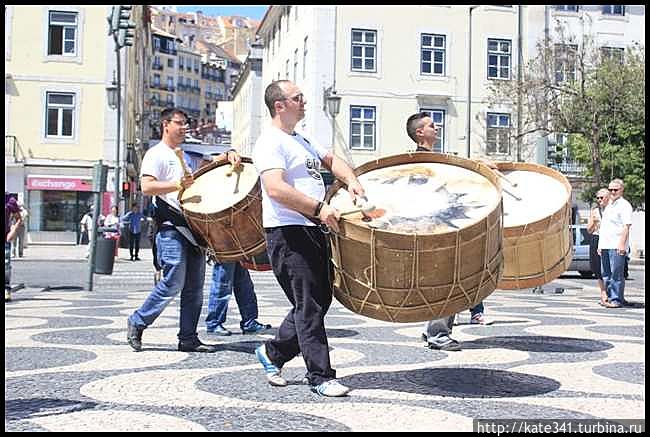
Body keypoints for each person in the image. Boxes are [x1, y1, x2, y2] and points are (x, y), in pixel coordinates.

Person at [252, 80, 365, 397]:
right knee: (309, 305)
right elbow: (275, 189)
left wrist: (351, 180)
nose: (304, 102)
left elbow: (331, 160)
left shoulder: (302, 138)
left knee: (320, 298)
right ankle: (321, 376)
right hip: (287, 231)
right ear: (280, 105)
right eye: (297, 98)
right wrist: (319, 208)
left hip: (312, 228)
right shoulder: (269, 142)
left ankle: (273, 353)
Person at [126, 107, 241, 353]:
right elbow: (146, 187)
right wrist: (176, 184)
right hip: (170, 227)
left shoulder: (187, 155)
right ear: (165, 125)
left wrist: (228, 154)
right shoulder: (155, 154)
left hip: (193, 228)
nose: (185, 127)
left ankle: (188, 338)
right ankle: (138, 320)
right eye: (180, 123)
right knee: (174, 278)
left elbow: (207, 167)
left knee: (194, 288)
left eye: (186, 123)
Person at [405, 112, 492, 352]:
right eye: (431, 125)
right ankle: (438, 334)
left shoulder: (436, 159)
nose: (437, 127)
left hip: (445, 228)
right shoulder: (417, 162)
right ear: (419, 133)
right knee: (447, 281)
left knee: (449, 280)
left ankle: (432, 330)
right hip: (435, 230)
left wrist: (479, 166)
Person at [205, 261, 272, 336]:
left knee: (244, 285)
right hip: (225, 252)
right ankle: (213, 323)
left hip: (236, 252)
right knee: (223, 284)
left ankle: (249, 322)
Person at [597, 178, 633, 308]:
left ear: (621, 190)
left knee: (616, 274)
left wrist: (622, 244)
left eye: (615, 189)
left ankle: (616, 299)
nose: (612, 192)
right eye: (610, 189)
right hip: (605, 245)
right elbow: (604, 228)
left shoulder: (625, 205)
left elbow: (626, 226)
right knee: (605, 273)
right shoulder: (609, 206)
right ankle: (610, 297)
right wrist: (600, 245)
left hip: (616, 245)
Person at [587, 188, 610, 306]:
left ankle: (611, 292)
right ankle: (603, 292)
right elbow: (589, 230)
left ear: (608, 197)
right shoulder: (595, 211)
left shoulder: (612, 210)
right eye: (598, 198)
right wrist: (594, 222)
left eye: (602, 197)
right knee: (597, 267)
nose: (599, 200)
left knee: (609, 267)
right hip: (597, 238)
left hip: (609, 240)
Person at [5, 197, 23, 302]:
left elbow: (19, 218)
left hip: (5, 237)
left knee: (6, 264)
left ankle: (6, 289)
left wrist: (13, 231)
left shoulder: (9, 200)